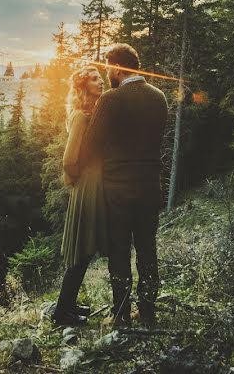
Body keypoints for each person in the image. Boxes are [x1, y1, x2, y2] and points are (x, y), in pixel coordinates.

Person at [82, 43, 168, 328]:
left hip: (117, 189)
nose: (107, 73)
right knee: (147, 249)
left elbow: (91, 146)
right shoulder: (159, 98)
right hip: (149, 188)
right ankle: (148, 313)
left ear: (118, 68)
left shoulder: (111, 100)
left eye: (108, 68)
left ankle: (120, 315)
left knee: (120, 251)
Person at [52, 65, 108, 326]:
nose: (101, 81)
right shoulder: (81, 116)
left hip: (93, 185)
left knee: (85, 248)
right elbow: (69, 160)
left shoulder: (93, 113)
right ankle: (62, 313)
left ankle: (68, 305)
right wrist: (78, 180)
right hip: (87, 187)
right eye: (95, 79)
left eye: (101, 77)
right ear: (84, 87)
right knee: (81, 248)